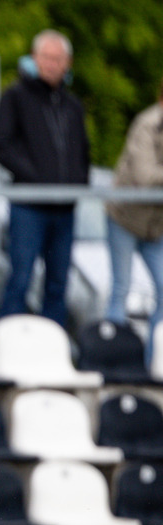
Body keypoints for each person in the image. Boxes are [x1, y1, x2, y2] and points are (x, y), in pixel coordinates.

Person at [0, 29, 90, 327]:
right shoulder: (15, 96)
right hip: (29, 206)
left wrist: (77, 182)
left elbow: (83, 149)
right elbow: (1, 145)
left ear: (67, 62)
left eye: (57, 58)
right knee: (20, 279)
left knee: (59, 283)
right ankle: (8, 349)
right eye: (46, 57)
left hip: (64, 209)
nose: (51, 63)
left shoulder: (72, 105)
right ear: (35, 59)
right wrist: (38, 178)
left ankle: (53, 350)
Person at [105, 76, 163, 368]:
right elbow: (144, 177)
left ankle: (154, 361)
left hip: (156, 225)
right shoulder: (146, 124)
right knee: (121, 289)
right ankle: (112, 360)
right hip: (125, 217)